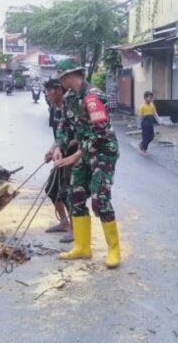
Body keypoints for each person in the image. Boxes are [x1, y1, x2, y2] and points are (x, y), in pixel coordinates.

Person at [52, 59, 121, 268]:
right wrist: (57, 147)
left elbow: (100, 132)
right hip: (83, 153)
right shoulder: (70, 98)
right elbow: (64, 127)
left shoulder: (93, 96)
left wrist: (75, 156)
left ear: (69, 76)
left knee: (100, 198)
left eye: (61, 78)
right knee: (76, 195)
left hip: (102, 153)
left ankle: (114, 250)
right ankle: (82, 247)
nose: (60, 83)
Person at [43, 78, 75, 243]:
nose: (46, 94)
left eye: (49, 91)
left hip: (74, 157)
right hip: (60, 155)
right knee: (51, 189)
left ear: (59, 91)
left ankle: (75, 229)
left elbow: (80, 135)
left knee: (69, 193)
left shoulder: (72, 107)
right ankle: (64, 222)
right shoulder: (54, 110)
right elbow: (58, 136)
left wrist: (61, 148)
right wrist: (51, 150)